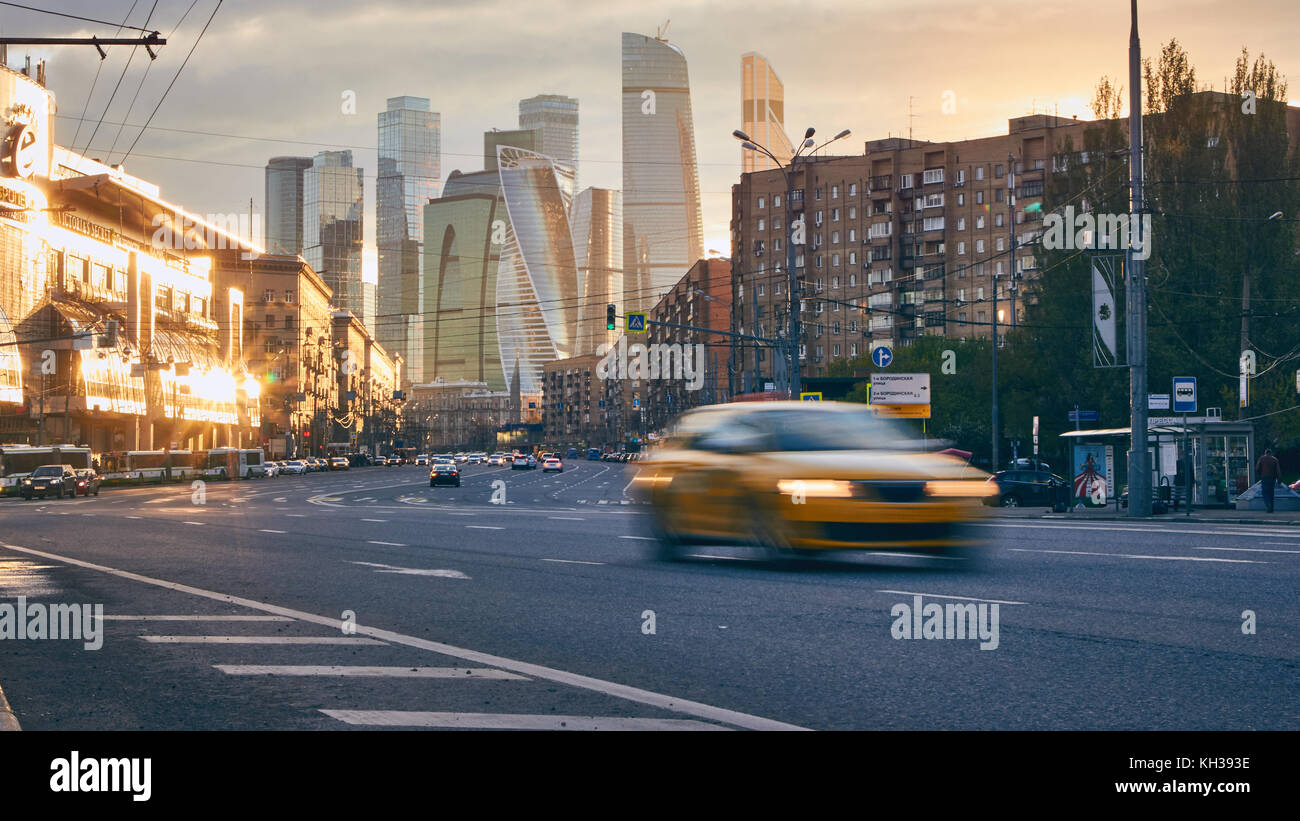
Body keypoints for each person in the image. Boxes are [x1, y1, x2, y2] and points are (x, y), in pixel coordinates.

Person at [1255, 448, 1281, 513]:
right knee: (1271, 493)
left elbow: (1257, 468)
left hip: (1264, 477)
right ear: (1271, 453)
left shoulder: (1261, 458)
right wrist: (1279, 479)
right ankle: (1271, 508)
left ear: (1265, 453)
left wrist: (1259, 474)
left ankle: (1268, 504)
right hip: (1272, 478)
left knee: (1265, 492)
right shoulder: (1275, 459)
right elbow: (1278, 471)